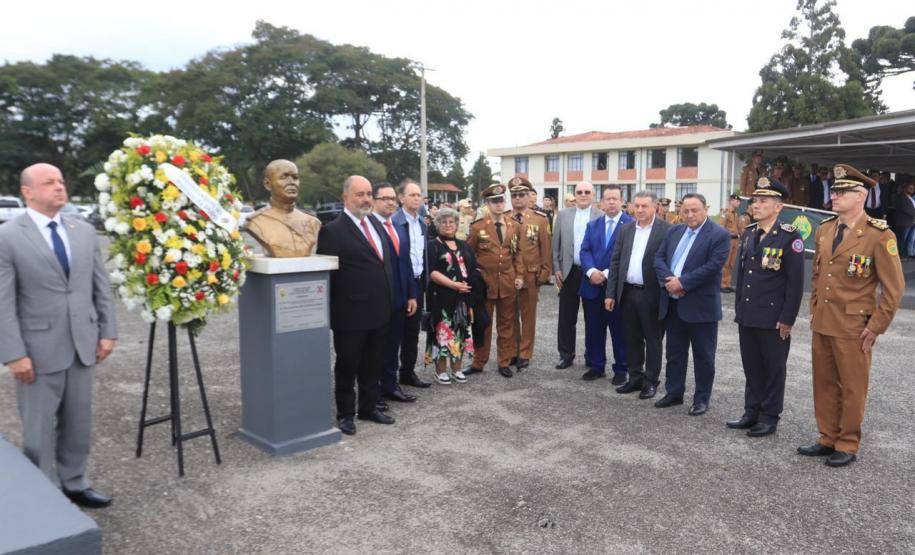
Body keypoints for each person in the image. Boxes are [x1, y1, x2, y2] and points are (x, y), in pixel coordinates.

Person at [0, 163, 117, 508]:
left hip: (84, 344)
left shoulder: (82, 231)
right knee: (38, 427)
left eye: (61, 181)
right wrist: (13, 353)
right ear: (27, 192)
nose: (59, 187)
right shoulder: (8, 236)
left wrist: (107, 331)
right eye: (49, 182)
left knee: (78, 421)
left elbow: (100, 286)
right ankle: (44, 493)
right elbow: (3, 302)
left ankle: (75, 481)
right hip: (36, 350)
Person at [798, 164, 904, 467]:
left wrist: (876, 326)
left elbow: (893, 289)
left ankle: (848, 442)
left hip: (854, 325)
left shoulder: (879, 235)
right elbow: (819, 274)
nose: (834, 195)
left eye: (842, 191)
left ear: (860, 196)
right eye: (834, 190)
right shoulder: (825, 229)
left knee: (853, 386)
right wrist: (815, 307)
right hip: (824, 322)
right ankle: (827, 436)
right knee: (824, 382)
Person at [317, 175, 396, 436]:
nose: (365, 199)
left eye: (368, 194)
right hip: (350, 315)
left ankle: (368, 407)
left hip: (379, 311)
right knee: (347, 365)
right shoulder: (332, 231)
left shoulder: (375, 223)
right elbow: (329, 278)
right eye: (359, 194)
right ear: (345, 198)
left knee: (372, 363)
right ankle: (346, 414)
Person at [726, 177, 804, 438]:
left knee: (773, 368)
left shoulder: (789, 236)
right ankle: (751, 412)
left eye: (763, 201)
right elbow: (743, 275)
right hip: (748, 314)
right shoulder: (749, 232)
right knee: (751, 366)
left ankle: (769, 416)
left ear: (778, 207)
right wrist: (739, 309)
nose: (756, 205)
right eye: (755, 201)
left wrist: (787, 318)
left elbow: (795, 284)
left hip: (773, 317)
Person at [653, 193, 731, 416]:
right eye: (685, 210)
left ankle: (701, 399)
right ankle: (674, 392)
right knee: (675, 353)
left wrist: (682, 282)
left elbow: (713, 267)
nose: (689, 214)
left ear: (706, 208)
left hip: (700, 307)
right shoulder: (674, 231)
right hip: (673, 304)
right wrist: (669, 282)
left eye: (695, 210)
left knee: (703, 356)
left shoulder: (719, 235)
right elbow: (658, 259)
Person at [605, 191, 671, 398]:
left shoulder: (666, 231)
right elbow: (615, 263)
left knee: (652, 340)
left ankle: (651, 381)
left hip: (651, 294)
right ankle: (635, 377)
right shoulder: (625, 230)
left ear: (655, 207)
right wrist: (611, 293)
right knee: (631, 338)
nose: (640, 210)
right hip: (628, 292)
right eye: (637, 206)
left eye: (645, 206)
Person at [465, 184, 524, 378]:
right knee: (483, 324)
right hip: (485, 284)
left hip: (507, 283)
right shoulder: (478, 227)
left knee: (507, 325)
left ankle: (504, 362)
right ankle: (478, 362)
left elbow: (518, 253)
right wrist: (474, 278)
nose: (498, 204)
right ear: (488, 204)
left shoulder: (513, 225)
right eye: (494, 201)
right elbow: (469, 255)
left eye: (501, 200)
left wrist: (519, 275)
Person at [579, 186, 633, 383]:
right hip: (592, 286)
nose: (611, 202)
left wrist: (608, 274)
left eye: (615, 198)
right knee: (594, 328)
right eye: (607, 199)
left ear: (622, 201)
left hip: (617, 288)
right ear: (601, 202)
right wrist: (592, 271)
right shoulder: (592, 225)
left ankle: (621, 369)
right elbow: (584, 251)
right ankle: (596, 365)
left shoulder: (631, 225)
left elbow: (629, 255)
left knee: (619, 329)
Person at [371, 183, 418, 405]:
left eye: (392, 199)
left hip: (400, 299)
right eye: (385, 198)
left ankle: (390, 386)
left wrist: (411, 294)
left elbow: (406, 263)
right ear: (374, 200)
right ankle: (374, 392)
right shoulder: (368, 227)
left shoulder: (399, 228)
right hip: (378, 300)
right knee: (375, 348)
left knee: (393, 345)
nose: (390, 202)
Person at [424, 208, 480, 384]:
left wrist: (472, 281)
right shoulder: (432, 245)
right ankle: (440, 371)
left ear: (457, 225)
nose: (448, 225)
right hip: (441, 297)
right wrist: (454, 285)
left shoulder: (464, 245)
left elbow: (474, 267)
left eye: (451, 222)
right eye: (444, 222)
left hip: (463, 299)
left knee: (461, 332)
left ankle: (457, 369)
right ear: (438, 225)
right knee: (442, 332)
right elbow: (431, 272)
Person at [552, 182, 602, 369]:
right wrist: (556, 268)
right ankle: (566, 354)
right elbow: (555, 244)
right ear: (574, 195)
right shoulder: (563, 215)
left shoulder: (601, 215)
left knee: (593, 317)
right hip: (569, 271)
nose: (583, 195)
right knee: (566, 316)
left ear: (593, 195)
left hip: (591, 273)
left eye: (587, 192)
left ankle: (592, 355)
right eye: (579, 192)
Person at [392, 180, 432, 389]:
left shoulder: (422, 224)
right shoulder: (394, 222)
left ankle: (407, 372)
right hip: (399, 285)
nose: (417, 198)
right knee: (395, 333)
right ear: (401, 198)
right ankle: (389, 381)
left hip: (417, 283)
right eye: (413, 195)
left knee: (412, 332)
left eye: (419, 195)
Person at [508, 177, 552, 369]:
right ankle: (511, 351)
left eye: (521, 195)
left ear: (529, 196)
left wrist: (544, 273)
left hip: (531, 275)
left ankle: (525, 352)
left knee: (528, 316)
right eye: (514, 195)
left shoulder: (540, 220)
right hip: (508, 276)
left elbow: (546, 249)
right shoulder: (504, 217)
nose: (517, 198)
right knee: (509, 316)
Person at [243, 159, 322, 257]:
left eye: (295, 177)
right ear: (268, 184)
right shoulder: (255, 222)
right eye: (284, 177)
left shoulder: (312, 222)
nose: (291, 182)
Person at [720, 194, 741, 292]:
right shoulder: (726, 213)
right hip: (728, 240)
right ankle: (722, 284)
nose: (738, 203)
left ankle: (727, 283)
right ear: (731, 201)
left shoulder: (735, 214)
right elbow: (721, 227)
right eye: (736, 201)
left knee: (731, 263)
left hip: (735, 240)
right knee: (725, 262)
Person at [895, 179, 915, 257]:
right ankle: (901, 255)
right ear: (905, 188)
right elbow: (905, 208)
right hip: (904, 222)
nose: (912, 189)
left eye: (913, 188)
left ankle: (907, 254)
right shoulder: (901, 197)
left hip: (911, 222)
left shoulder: (911, 197)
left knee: (909, 240)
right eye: (910, 188)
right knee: (902, 240)